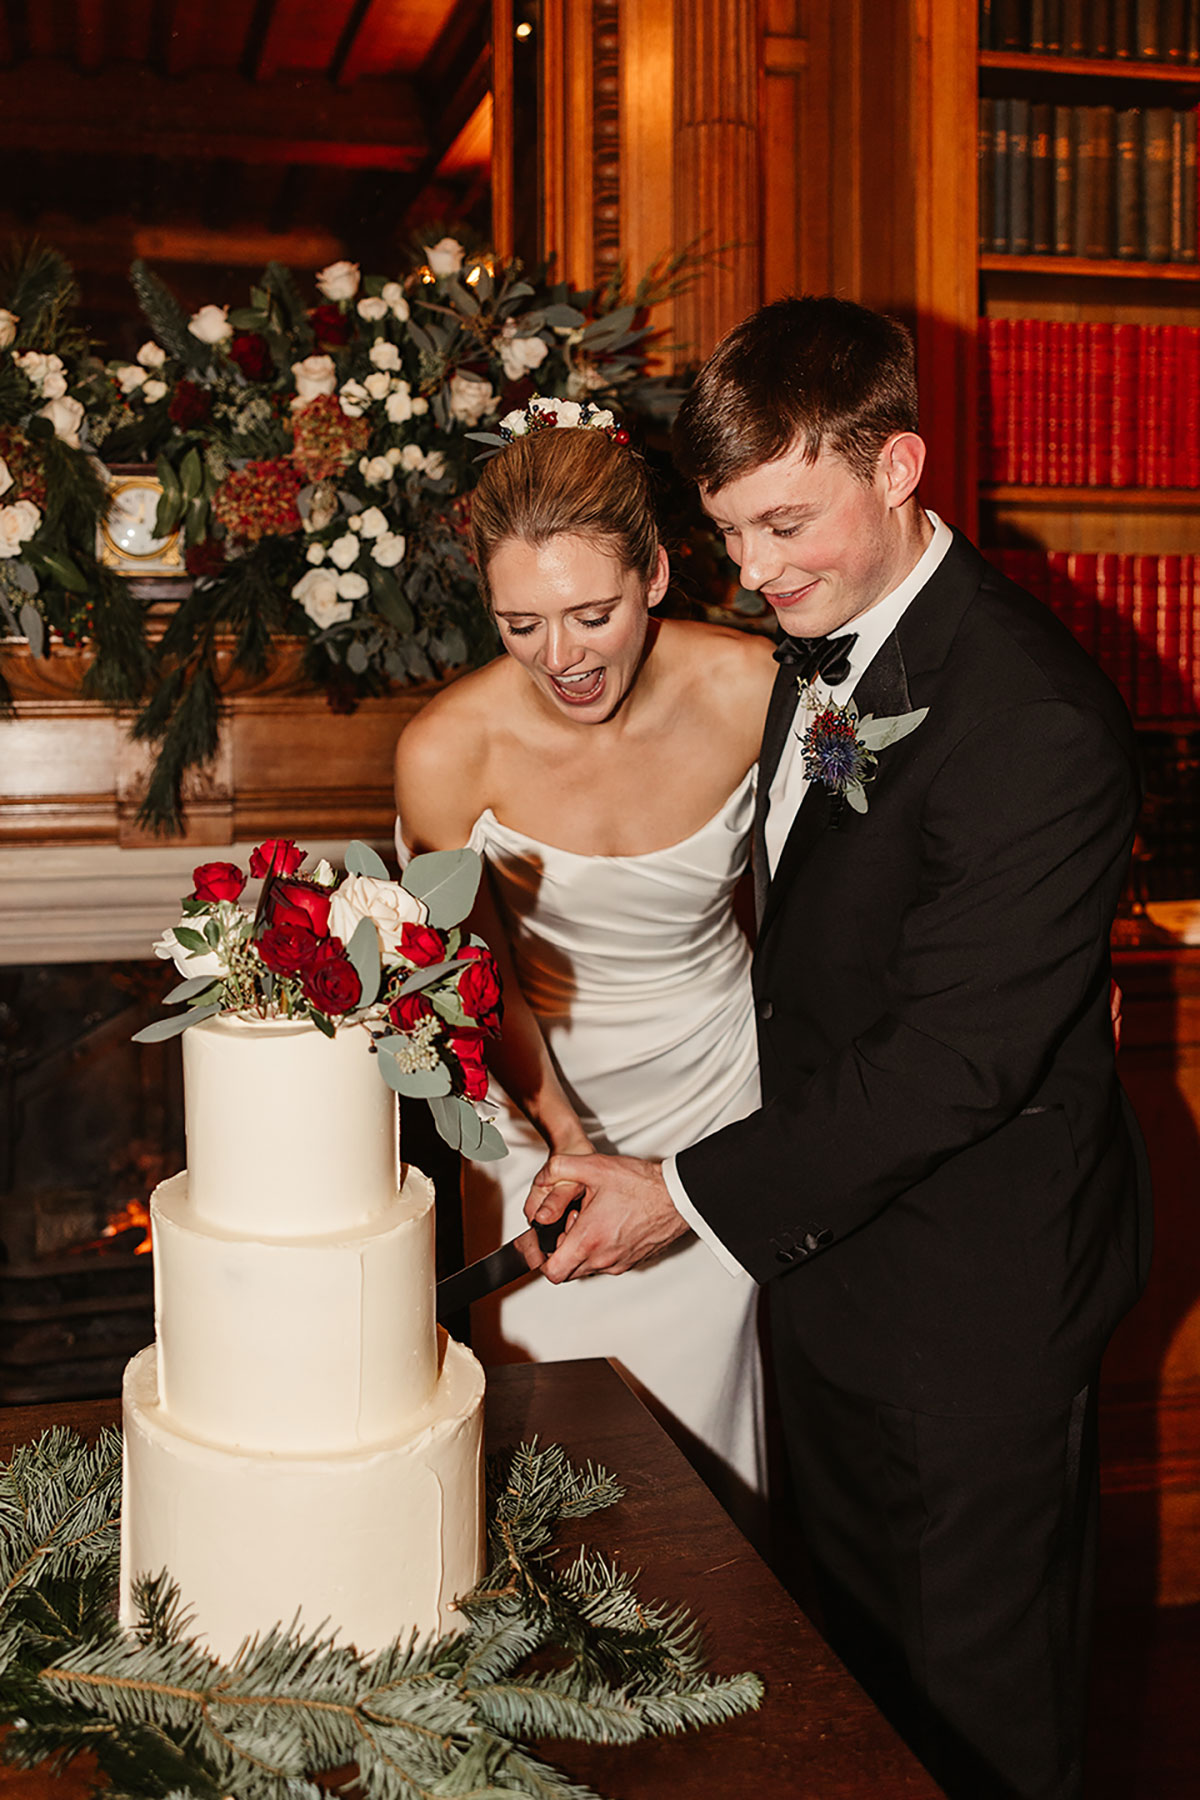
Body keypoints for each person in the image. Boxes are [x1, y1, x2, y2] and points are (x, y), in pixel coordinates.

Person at [524, 297, 1151, 1800]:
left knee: (974, 1723)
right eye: (733, 534)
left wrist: (677, 1190)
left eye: (789, 523)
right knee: (865, 1699)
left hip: (969, 1309)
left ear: (902, 466)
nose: (755, 572)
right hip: (831, 1264)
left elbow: (951, 1062)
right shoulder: (823, 652)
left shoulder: (1037, 720)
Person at [393, 412, 776, 1521]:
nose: (561, 657)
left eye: (591, 614)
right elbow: (473, 980)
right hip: (533, 1109)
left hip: (720, 1094)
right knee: (557, 1472)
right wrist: (565, 1136)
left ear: (655, 573)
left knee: (718, 1478)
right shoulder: (444, 749)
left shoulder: (754, 690)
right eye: (521, 623)